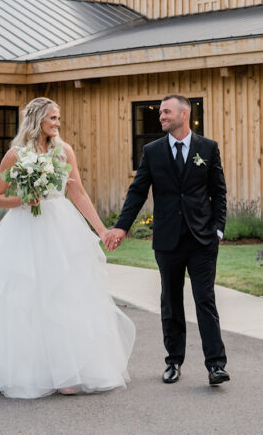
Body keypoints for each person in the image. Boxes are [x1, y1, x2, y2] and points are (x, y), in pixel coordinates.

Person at [0, 97, 135, 398]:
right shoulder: (16, 155)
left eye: (58, 118)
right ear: (38, 119)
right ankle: (26, 371)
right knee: (24, 297)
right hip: (24, 230)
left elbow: (77, 192)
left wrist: (101, 230)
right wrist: (23, 200)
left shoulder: (65, 152)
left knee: (64, 296)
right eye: (53, 118)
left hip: (61, 228)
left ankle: (68, 371)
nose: (58, 123)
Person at [105, 94, 229, 386]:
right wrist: (122, 227)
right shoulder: (153, 151)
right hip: (168, 240)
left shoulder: (208, 149)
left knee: (205, 300)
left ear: (184, 114)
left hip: (202, 240)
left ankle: (216, 365)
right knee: (171, 302)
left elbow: (218, 191)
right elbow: (137, 192)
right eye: (160, 112)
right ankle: (173, 361)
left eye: (166, 112)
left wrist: (218, 229)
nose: (161, 116)